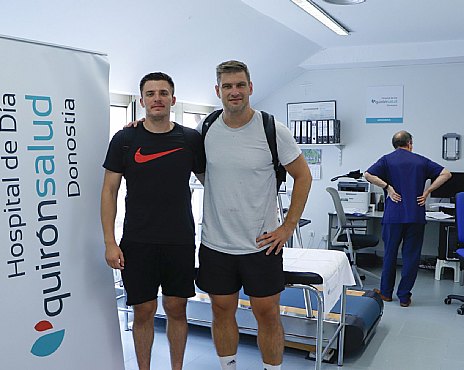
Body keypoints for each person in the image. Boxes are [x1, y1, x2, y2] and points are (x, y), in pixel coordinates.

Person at [195, 60, 312, 370]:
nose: (235, 92)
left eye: (240, 85)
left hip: (262, 244)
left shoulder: (272, 129)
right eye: (228, 86)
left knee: (268, 313)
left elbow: (303, 176)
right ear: (217, 90)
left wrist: (288, 226)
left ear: (250, 87)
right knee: (221, 310)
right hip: (216, 244)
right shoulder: (205, 130)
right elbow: (174, 145)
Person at [101, 72, 205, 370]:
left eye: (163, 93)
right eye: (150, 93)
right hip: (137, 241)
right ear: (142, 100)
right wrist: (110, 242)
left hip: (180, 240)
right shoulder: (125, 139)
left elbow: (213, 183)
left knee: (176, 308)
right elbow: (109, 191)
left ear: (173, 99)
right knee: (143, 311)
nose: (156, 98)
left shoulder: (190, 139)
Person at [364, 131, 451, 307]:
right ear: (410, 143)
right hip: (416, 215)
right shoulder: (421, 160)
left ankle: (386, 293)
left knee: (389, 254)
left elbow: (367, 174)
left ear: (394, 144)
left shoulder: (387, 160)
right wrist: (427, 192)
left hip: (393, 216)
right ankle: (404, 296)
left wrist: (388, 187)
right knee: (411, 256)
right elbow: (446, 174)